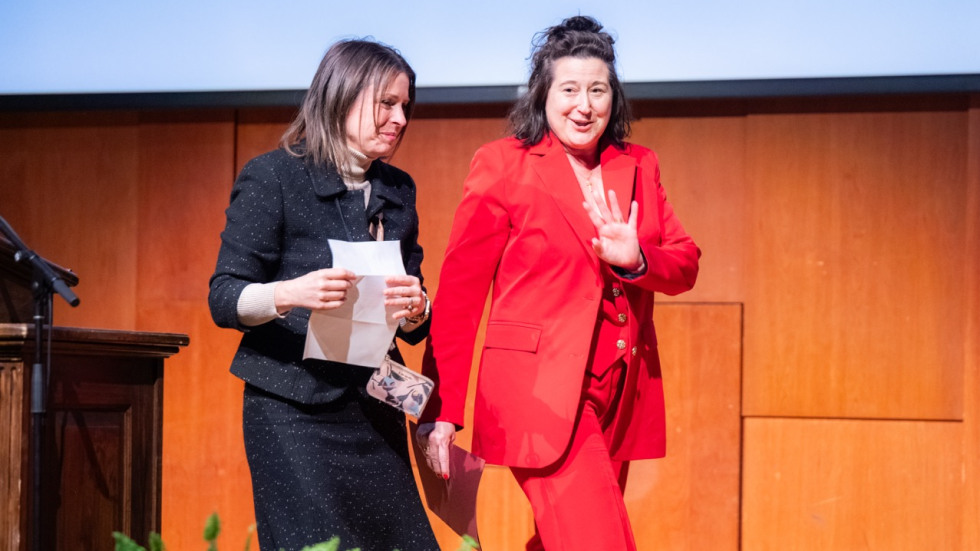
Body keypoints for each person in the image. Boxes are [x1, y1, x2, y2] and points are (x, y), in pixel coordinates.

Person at [416, 15, 701, 551]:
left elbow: (685, 263)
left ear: (614, 97)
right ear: (543, 94)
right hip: (537, 397)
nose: (584, 105)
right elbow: (459, 298)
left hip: (619, 395)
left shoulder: (639, 165)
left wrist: (637, 259)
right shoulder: (503, 164)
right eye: (569, 89)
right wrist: (441, 409)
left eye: (598, 90)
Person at [208, 39, 439, 551]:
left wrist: (416, 307)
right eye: (386, 103)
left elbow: (414, 310)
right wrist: (291, 293)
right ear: (341, 96)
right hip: (292, 410)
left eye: (405, 106)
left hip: (374, 407)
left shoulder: (398, 189)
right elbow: (223, 297)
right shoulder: (274, 176)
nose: (400, 119)